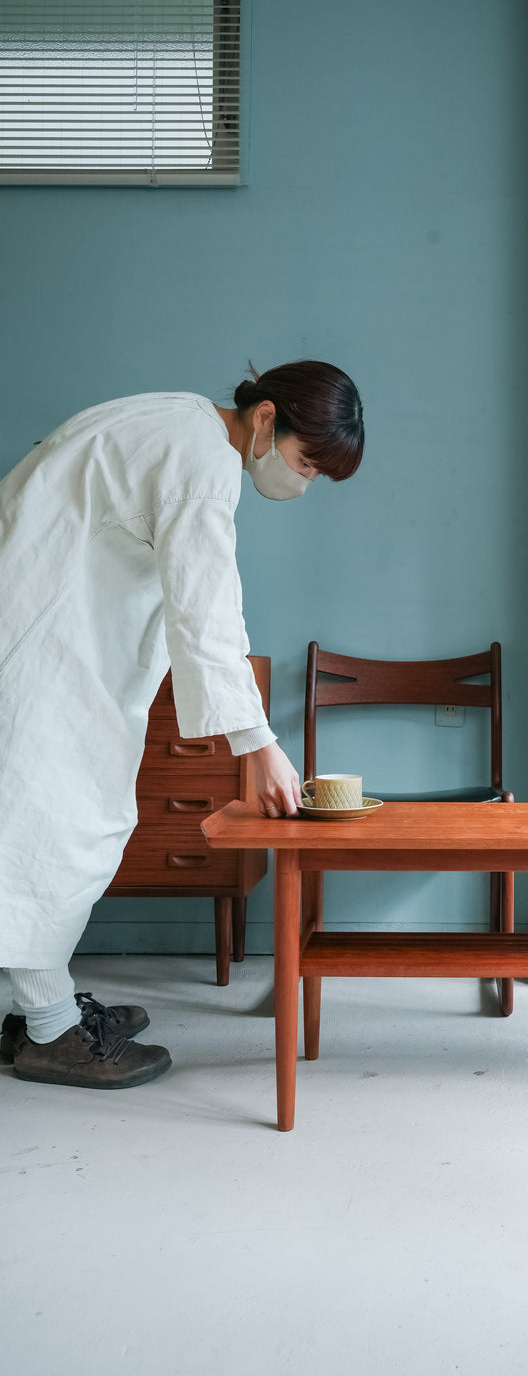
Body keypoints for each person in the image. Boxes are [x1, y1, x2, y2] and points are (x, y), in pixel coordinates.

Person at [0, 361, 364, 1089]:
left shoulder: (175, 416)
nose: (304, 482)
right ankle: (48, 1032)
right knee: (48, 827)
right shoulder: (203, 464)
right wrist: (258, 745)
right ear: (265, 418)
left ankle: (35, 1010)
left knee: (51, 822)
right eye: (305, 463)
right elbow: (205, 610)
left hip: (49, 624)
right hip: (42, 648)